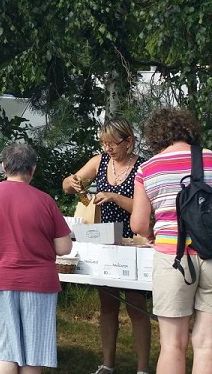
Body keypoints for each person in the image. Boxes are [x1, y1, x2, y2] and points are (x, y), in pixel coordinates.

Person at [0, 143, 72, 374]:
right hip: (39, 283)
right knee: (34, 353)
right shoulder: (45, 201)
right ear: (32, 170)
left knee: (4, 350)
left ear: (4, 166)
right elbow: (64, 248)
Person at [62, 117, 150, 374]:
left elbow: (145, 207)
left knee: (136, 306)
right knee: (108, 304)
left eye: (112, 143)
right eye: (104, 143)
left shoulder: (142, 167)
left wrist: (114, 197)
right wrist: (73, 182)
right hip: (104, 240)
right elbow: (67, 186)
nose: (108, 148)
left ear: (128, 141)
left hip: (133, 242)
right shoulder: (99, 162)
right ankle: (108, 364)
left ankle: (142, 368)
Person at [130, 107, 212, 374]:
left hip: (172, 258)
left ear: (156, 136)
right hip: (211, 252)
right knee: (207, 344)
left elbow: (138, 224)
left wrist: (152, 234)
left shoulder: (148, 168)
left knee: (172, 344)